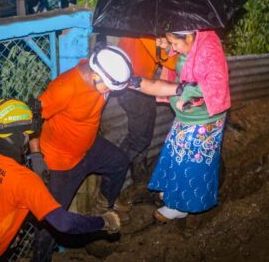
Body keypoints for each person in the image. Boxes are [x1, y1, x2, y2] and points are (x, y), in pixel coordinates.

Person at [0, 99, 120, 262]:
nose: (27, 138)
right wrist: (104, 221)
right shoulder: (24, 181)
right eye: (26, 133)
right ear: (15, 137)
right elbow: (65, 223)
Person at [31, 44, 133, 262]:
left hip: (89, 148)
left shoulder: (101, 74)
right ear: (95, 74)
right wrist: (36, 156)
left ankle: (103, 207)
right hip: (61, 163)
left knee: (119, 162)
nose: (110, 92)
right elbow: (31, 116)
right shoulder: (64, 88)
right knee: (50, 223)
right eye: (108, 87)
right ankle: (40, 259)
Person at [129, 30, 230, 222]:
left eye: (175, 43)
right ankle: (174, 191)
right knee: (178, 153)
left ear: (190, 37)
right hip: (188, 117)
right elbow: (182, 62)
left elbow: (215, 84)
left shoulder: (209, 51)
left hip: (204, 119)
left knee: (193, 162)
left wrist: (185, 94)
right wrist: (168, 47)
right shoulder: (193, 45)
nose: (173, 47)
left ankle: (182, 205)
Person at [116, 36, 178, 198]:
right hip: (135, 87)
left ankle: (140, 183)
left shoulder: (136, 25)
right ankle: (112, 172)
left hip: (138, 84)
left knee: (143, 134)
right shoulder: (146, 32)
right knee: (140, 139)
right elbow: (170, 62)